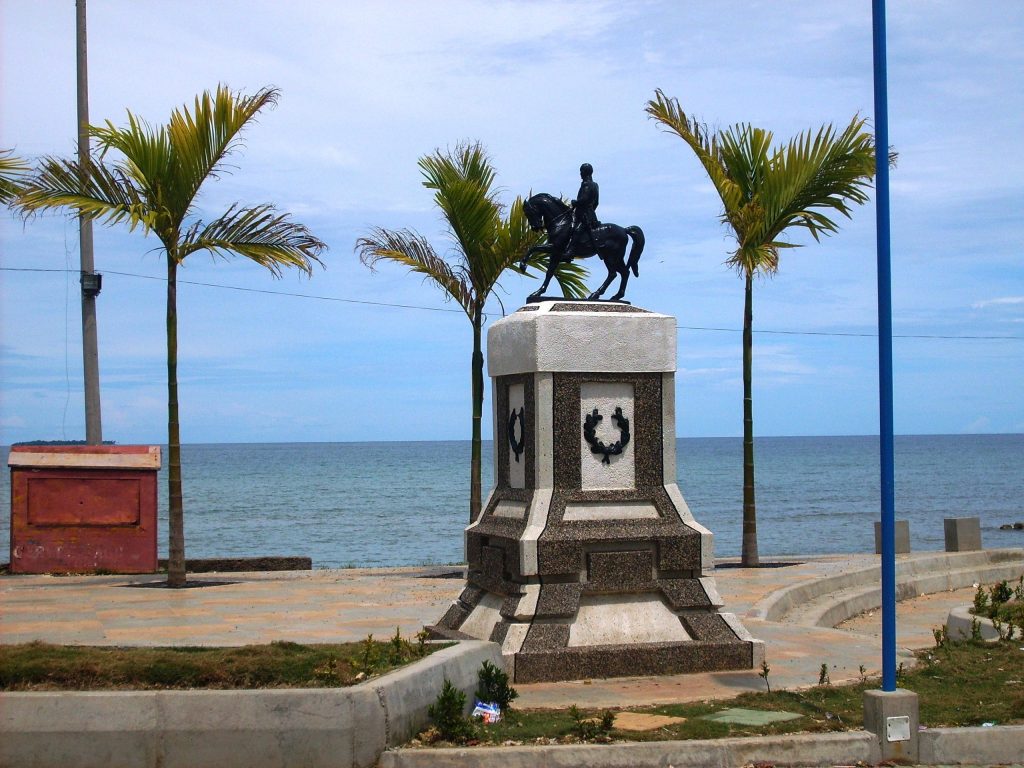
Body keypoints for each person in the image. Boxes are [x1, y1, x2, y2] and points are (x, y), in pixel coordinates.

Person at [565, 162, 599, 255]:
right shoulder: (595, 185)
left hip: (584, 214)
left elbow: (585, 199)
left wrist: (575, 202)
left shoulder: (587, 184)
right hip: (590, 212)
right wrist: (592, 211)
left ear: (585, 172)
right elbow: (596, 202)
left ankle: (570, 251)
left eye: (581, 171)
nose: (580, 173)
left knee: (577, 230)